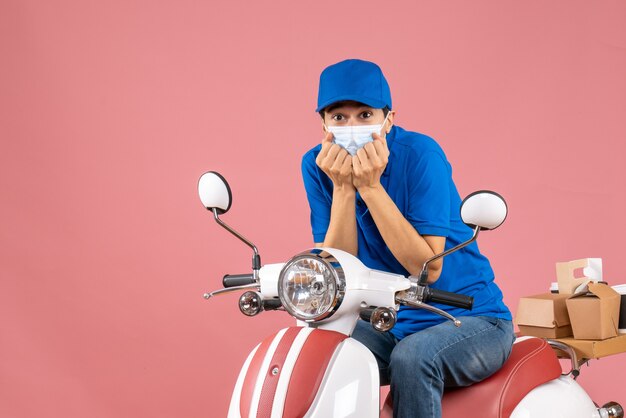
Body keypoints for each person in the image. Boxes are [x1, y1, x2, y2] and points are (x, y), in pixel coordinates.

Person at [301, 59, 515, 418]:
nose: (351, 126)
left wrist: (368, 186)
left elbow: (426, 269)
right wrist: (342, 187)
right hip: (391, 320)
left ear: (389, 119)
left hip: (471, 319)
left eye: (365, 114)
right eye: (338, 117)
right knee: (324, 349)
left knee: (413, 356)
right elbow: (338, 270)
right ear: (322, 123)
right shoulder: (318, 165)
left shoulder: (420, 154)